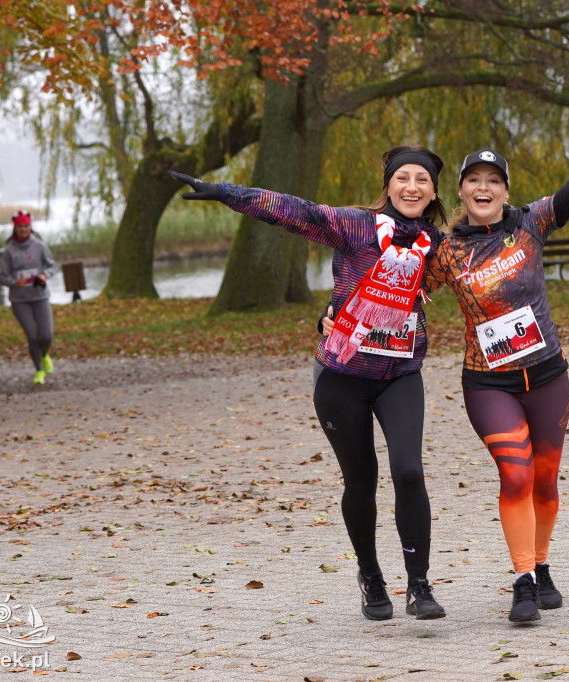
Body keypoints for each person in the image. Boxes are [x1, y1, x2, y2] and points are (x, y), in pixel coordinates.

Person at [170, 146, 449, 621]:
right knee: (361, 480)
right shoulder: (354, 224)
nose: (411, 187)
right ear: (388, 184)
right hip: (342, 379)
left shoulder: (439, 244)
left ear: (434, 191)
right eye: (403, 177)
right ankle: (370, 576)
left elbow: (488, 265)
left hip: (400, 374)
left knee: (408, 472)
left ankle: (419, 586)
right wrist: (224, 192)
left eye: (422, 179)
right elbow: (291, 210)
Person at [423, 98, 569, 622]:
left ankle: (542, 566)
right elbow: (395, 289)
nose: (483, 188)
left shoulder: (532, 224)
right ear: (460, 191)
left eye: (492, 180)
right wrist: (336, 310)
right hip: (488, 383)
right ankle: (522, 582)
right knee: (515, 476)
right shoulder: (447, 251)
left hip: (547, 377)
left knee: (545, 480)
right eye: (473, 180)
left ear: (504, 189)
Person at [0, 210, 57, 385]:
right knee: (32, 336)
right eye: (20, 227)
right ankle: (39, 370)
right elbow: (3, 276)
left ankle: (45, 353)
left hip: (40, 296)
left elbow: (53, 266)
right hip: (20, 300)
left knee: (46, 335)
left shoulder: (39, 246)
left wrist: (44, 275)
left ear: (30, 227)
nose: (23, 229)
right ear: (15, 229)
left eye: (26, 226)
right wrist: (14, 282)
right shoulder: (9, 251)